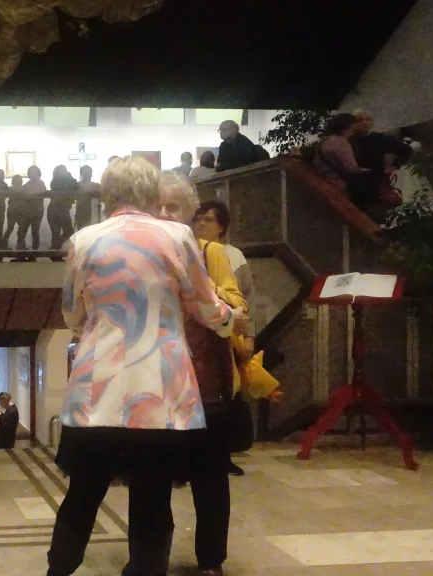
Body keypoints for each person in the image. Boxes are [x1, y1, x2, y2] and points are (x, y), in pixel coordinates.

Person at [46, 157, 245, 576]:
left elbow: (70, 313)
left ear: (107, 194)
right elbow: (205, 306)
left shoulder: (84, 239)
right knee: (152, 497)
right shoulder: (177, 236)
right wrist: (230, 321)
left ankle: (58, 570)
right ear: (152, 193)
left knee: (83, 493)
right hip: (159, 390)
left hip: (96, 388)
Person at [158, 173, 247, 576]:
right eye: (158, 206)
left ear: (190, 214)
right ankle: (151, 556)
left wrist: (201, 285)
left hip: (205, 381)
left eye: (173, 206)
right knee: (153, 480)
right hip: (157, 383)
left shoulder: (211, 252)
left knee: (210, 479)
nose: (165, 214)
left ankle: (211, 560)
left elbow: (237, 305)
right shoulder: (141, 251)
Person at [193, 199, 259, 478]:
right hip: (199, 336)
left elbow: (246, 298)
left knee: (227, 394)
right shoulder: (187, 250)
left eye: (208, 219)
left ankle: (224, 454)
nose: (201, 224)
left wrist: (249, 336)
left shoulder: (232, 255)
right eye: (198, 219)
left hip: (229, 333)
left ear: (222, 226)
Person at [313, 113, 374, 206]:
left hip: (327, 184)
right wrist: (368, 171)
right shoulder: (341, 143)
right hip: (340, 188)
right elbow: (351, 168)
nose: (353, 131)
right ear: (345, 129)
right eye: (352, 128)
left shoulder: (324, 142)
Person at [48, 165, 77, 254]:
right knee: (57, 232)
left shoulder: (67, 180)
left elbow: (76, 186)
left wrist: (70, 177)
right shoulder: (56, 181)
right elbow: (69, 188)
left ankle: (54, 248)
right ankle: (54, 252)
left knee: (67, 232)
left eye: (65, 170)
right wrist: (69, 178)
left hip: (62, 208)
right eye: (62, 171)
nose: (64, 172)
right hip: (56, 208)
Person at [19, 167, 46, 257]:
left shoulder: (41, 183)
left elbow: (42, 191)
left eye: (33, 172)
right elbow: (21, 192)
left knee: (35, 232)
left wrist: (29, 194)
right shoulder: (27, 184)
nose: (31, 174)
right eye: (29, 172)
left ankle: (34, 254)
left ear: (38, 173)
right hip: (26, 212)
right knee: (22, 232)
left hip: (37, 212)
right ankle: (20, 253)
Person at [2, 174, 26, 256]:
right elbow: (16, 191)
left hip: (20, 212)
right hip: (12, 211)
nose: (19, 183)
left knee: (22, 228)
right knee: (10, 228)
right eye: (17, 181)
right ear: (13, 182)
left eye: (20, 181)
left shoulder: (22, 189)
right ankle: (4, 245)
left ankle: (21, 245)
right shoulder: (11, 189)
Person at [74, 165, 99, 231]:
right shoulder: (77, 185)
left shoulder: (96, 186)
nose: (88, 175)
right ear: (81, 174)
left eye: (89, 172)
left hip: (94, 213)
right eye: (85, 173)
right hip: (81, 213)